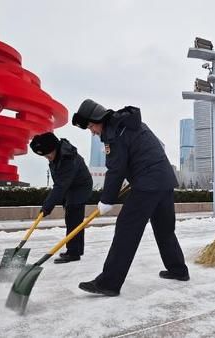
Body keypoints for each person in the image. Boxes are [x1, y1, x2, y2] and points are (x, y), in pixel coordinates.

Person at [71, 99, 189, 297]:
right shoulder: (129, 124)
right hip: (164, 180)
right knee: (164, 228)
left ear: (98, 119)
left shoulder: (113, 133)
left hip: (147, 184)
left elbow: (116, 169)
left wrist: (106, 200)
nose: (92, 132)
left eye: (92, 126)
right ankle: (178, 270)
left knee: (126, 229)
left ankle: (109, 283)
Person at [30, 132, 93, 263]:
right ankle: (76, 249)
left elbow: (60, 185)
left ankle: (73, 253)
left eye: (48, 155)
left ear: (55, 148)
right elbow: (60, 183)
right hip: (70, 186)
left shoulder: (68, 158)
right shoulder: (57, 155)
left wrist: (47, 207)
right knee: (72, 218)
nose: (48, 158)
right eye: (45, 156)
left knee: (73, 219)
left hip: (80, 187)